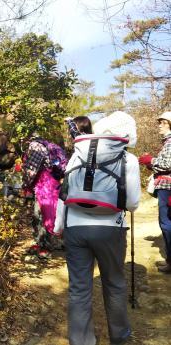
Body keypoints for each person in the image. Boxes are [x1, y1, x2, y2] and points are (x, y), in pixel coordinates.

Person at [53, 126, 141, 345]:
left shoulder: (78, 154)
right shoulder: (128, 158)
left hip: (75, 227)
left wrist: (58, 226)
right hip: (110, 228)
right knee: (114, 284)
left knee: (79, 289)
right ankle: (120, 338)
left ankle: (80, 341)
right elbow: (132, 204)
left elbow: (64, 194)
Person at [22, 134, 67, 258]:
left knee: (41, 216)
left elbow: (31, 170)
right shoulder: (48, 146)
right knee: (53, 214)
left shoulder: (35, 146)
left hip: (43, 185)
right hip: (53, 183)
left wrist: (25, 184)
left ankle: (44, 247)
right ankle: (57, 242)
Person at [139, 111, 171, 273]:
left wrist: (150, 160)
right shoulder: (167, 142)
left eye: (162, 122)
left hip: (167, 188)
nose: (159, 125)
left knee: (166, 224)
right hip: (165, 187)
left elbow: (167, 164)